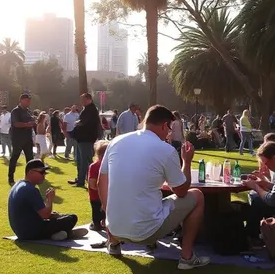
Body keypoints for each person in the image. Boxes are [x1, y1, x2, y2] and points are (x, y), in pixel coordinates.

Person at [98, 105, 210, 269]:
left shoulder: (116, 141)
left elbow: (102, 182)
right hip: (146, 232)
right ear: (165, 125)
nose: (169, 134)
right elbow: (181, 191)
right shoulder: (165, 149)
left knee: (121, 192)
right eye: (169, 129)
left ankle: (113, 243)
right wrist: (186, 161)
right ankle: (187, 256)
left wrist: (108, 213)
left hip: (114, 227)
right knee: (197, 195)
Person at [8, 159, 88, 241]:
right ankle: (67, 234)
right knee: (72, 218)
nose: (44, 175)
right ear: (31, 173)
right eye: (41, 172)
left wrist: (52, 216)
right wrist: (50, 199)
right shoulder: (31, 190)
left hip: (21, 231)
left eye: (45, 173)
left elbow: (36, 212)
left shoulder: (19, 185)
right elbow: (45, 215)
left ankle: (60, 233)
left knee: (58, 216)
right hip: (30, 232)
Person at [69, 93, 100, 188]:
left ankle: (84, 180)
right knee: (79, 160)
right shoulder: (86, 109)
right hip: (81, 139)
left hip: (86, 139)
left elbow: (84, 122)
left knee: (85, 161)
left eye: (83, 100)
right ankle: (80, 178)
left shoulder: (91, 110)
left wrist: (78, 122)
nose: (81, 102)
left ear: (89, 99)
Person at [8, 94, 36, 185]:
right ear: (21, 100)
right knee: (14, 158)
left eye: (29, 100)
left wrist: (33, 123)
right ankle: (11, 178)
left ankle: (29, 178)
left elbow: (31, 121)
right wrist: (27, 124)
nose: (29, 102)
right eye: (27, 100)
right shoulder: (15, 111)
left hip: (28, 138)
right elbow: (16, 124)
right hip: (18, 139)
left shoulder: (28, 111)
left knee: (30, 159)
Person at [88, 140, 109, 231]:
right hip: (107, 194)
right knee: (106, 211)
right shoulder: (111, 165)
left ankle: (97, 224)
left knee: (96, 211)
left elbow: (92, 184)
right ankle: (104, 222)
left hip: (95, 196)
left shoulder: (94, 166)